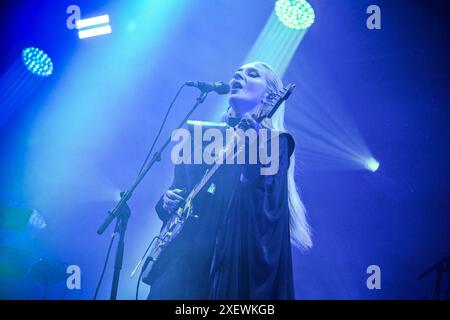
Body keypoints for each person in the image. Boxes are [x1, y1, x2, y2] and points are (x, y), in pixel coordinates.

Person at [146, 61, 312, 299]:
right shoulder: (200, 136)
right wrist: (167, 201)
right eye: (236, 74)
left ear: (269, 96)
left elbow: (266, 207)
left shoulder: (274, 142)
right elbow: (178, 190)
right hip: (180, 261)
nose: (238, 78)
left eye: (252, 75)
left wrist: (251, 148)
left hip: (225, 263)